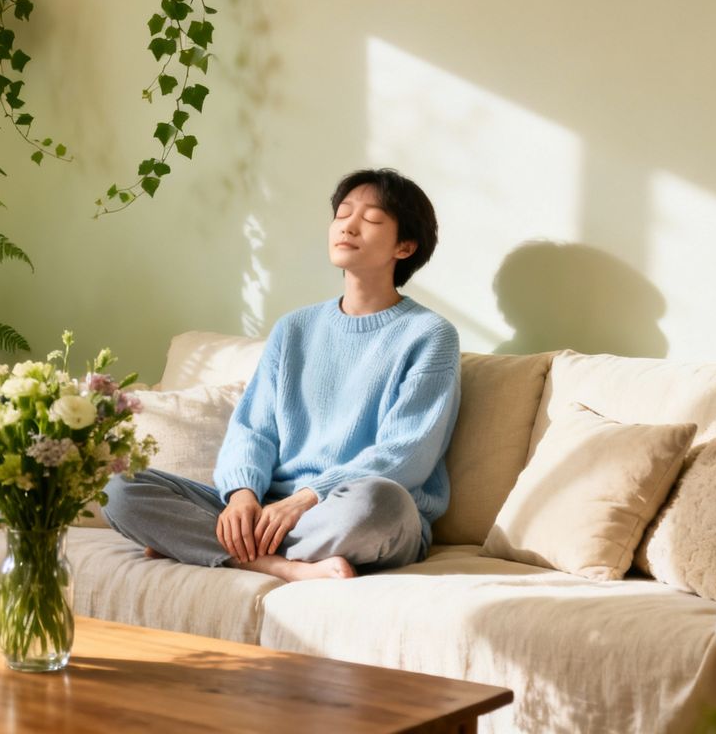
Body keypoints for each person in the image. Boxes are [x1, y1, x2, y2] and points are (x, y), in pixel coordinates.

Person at [103, 169, 461, 582]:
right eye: (343, 213)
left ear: (405, 246)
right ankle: (277, 565)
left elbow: (405, 454)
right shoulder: (294, 328)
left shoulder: (430, 335)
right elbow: (253, 429)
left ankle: (195, 543)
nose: (348, 226)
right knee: (119, 489)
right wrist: (242, 496)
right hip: (270, 510)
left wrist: (307, 498)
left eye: (372, 219)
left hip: (349, 513)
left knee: (381, 504)